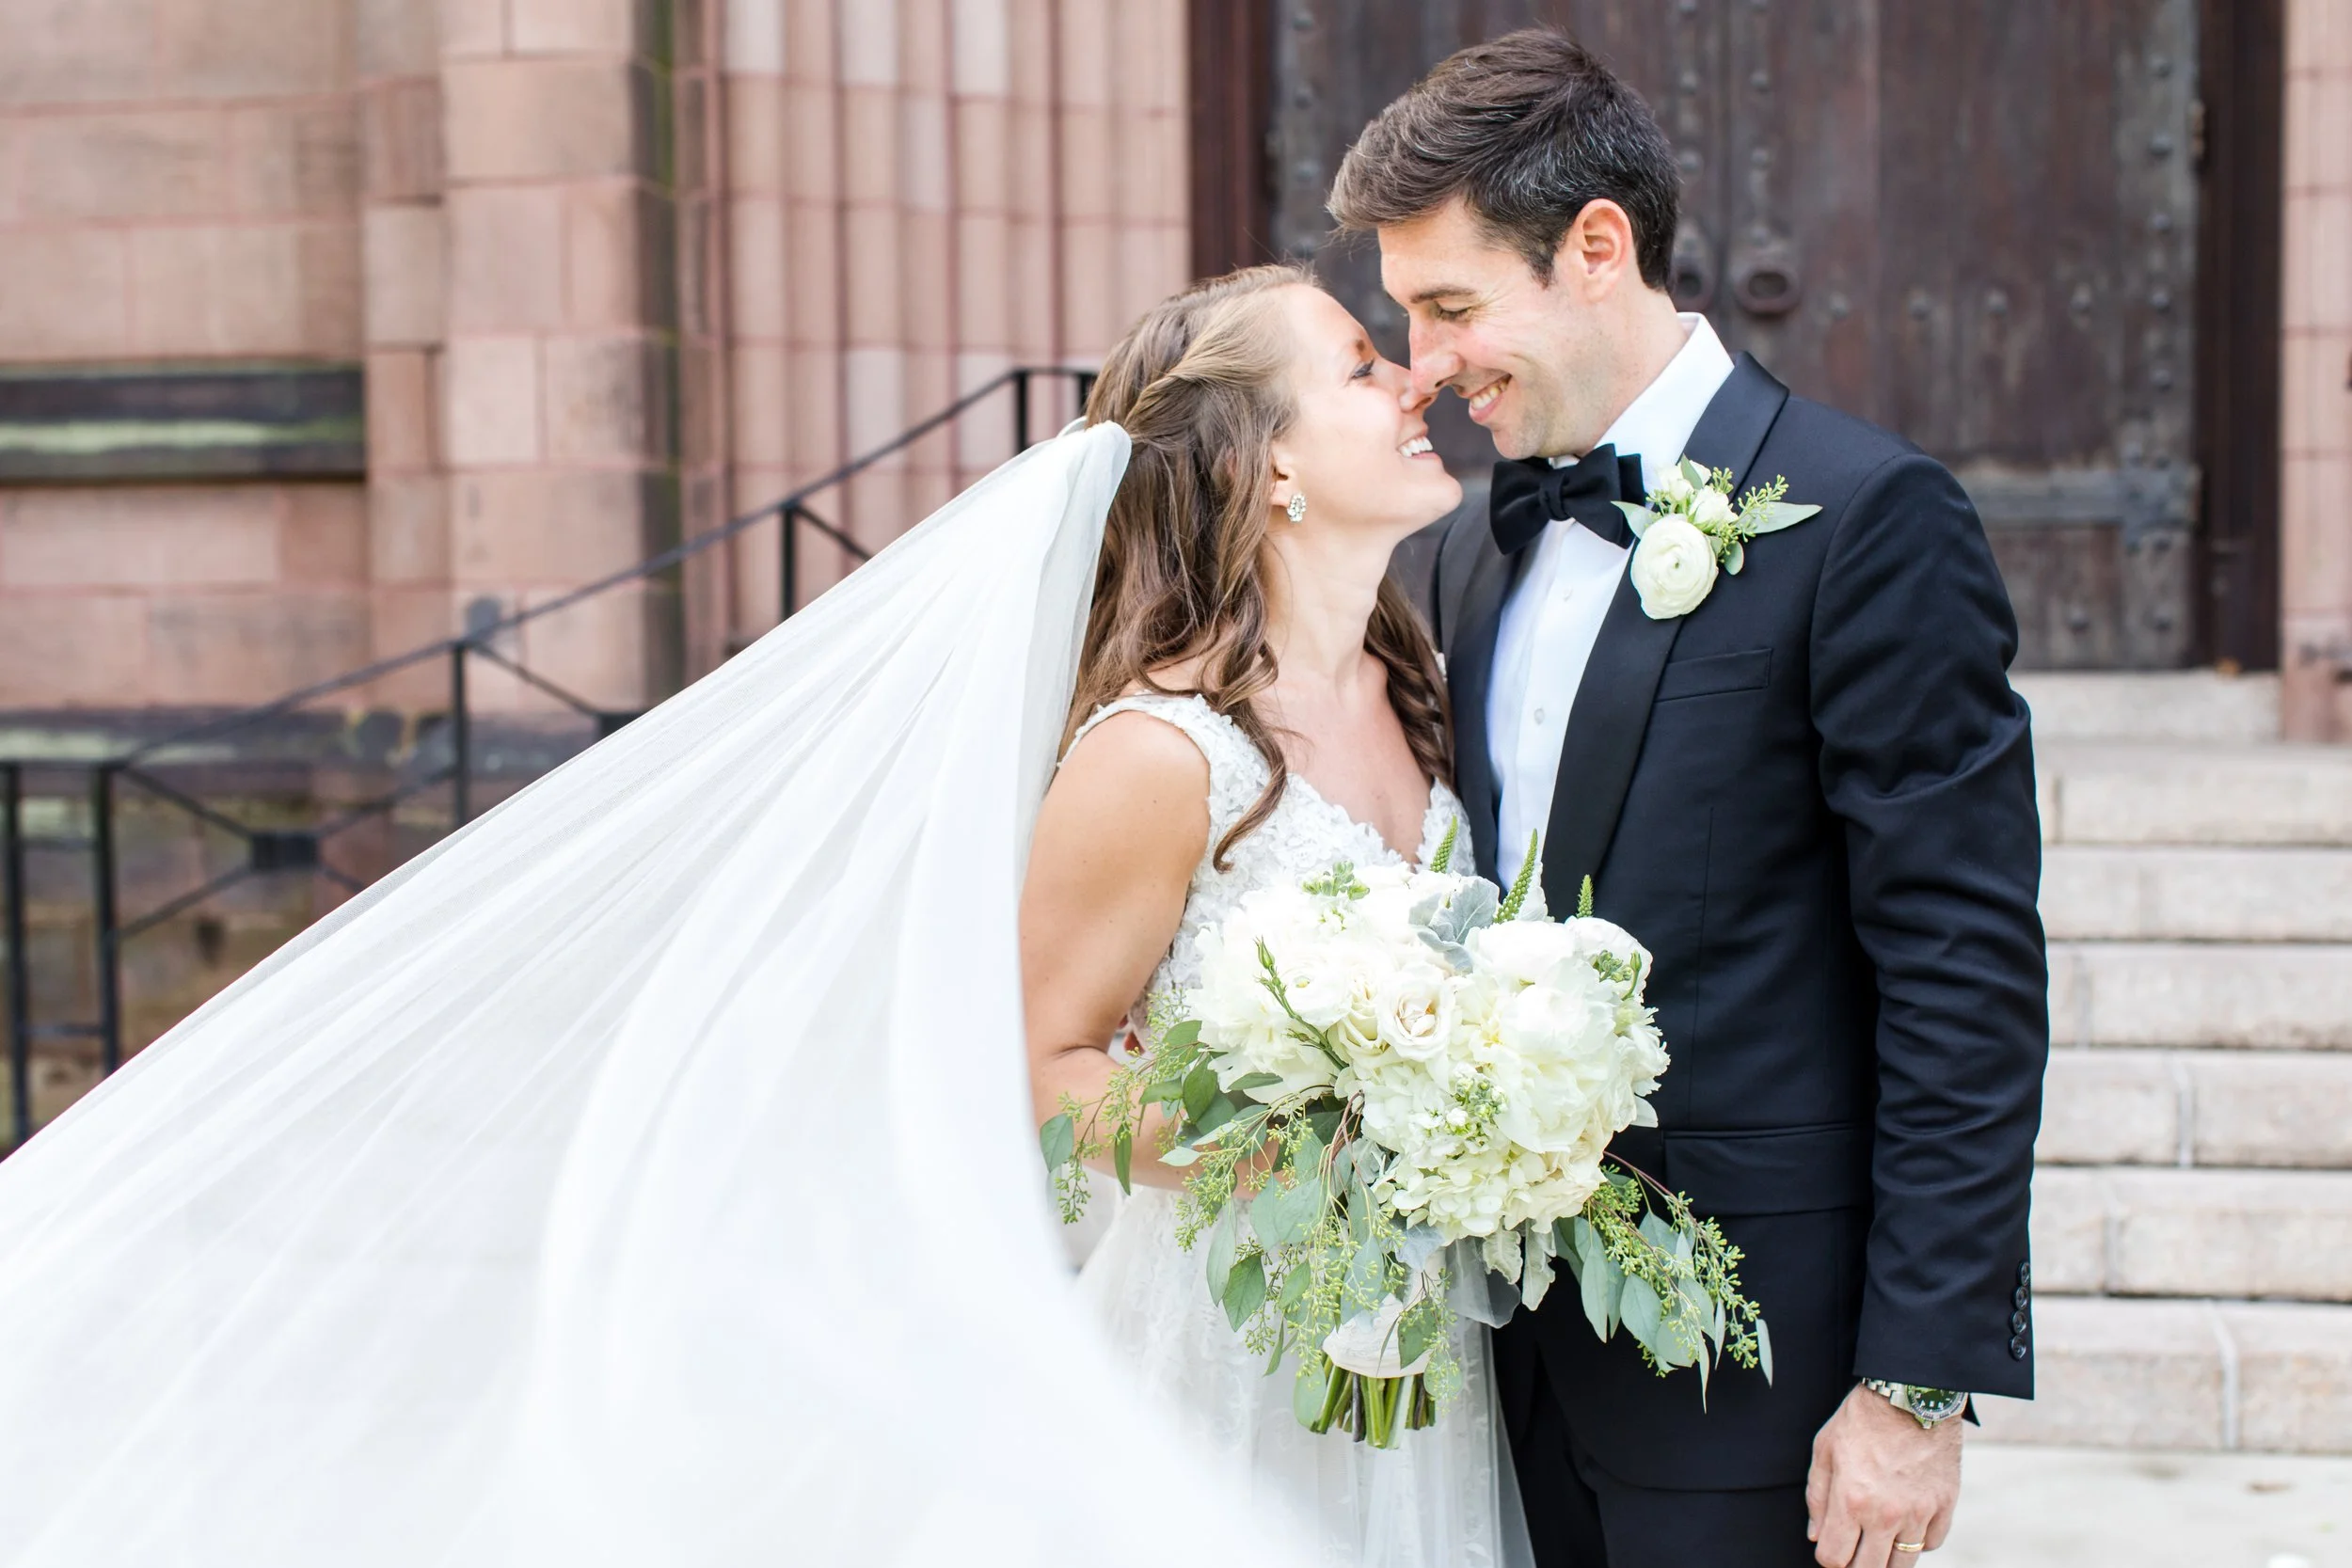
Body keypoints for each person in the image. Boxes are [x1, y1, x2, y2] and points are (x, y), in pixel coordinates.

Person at [1328, 28, 2049, 1568]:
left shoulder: (1868, 519)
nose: (1427, 362)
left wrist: (1913, 1386)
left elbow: (1962, 968)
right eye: (1404, 317)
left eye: (1451, 305)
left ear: (1597, 248)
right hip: (1496, 1377)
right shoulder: (1468, 549)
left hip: (1759, 1386)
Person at [1021, 265, 1527, 1565]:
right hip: (1233, 1357)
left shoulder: (1424, 686)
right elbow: (1045, 1068)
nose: (1418, 378)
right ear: (1267, 468)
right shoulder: (1160, 754)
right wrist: (1296, 1146)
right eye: (1361, 365)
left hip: (1435, 1358)